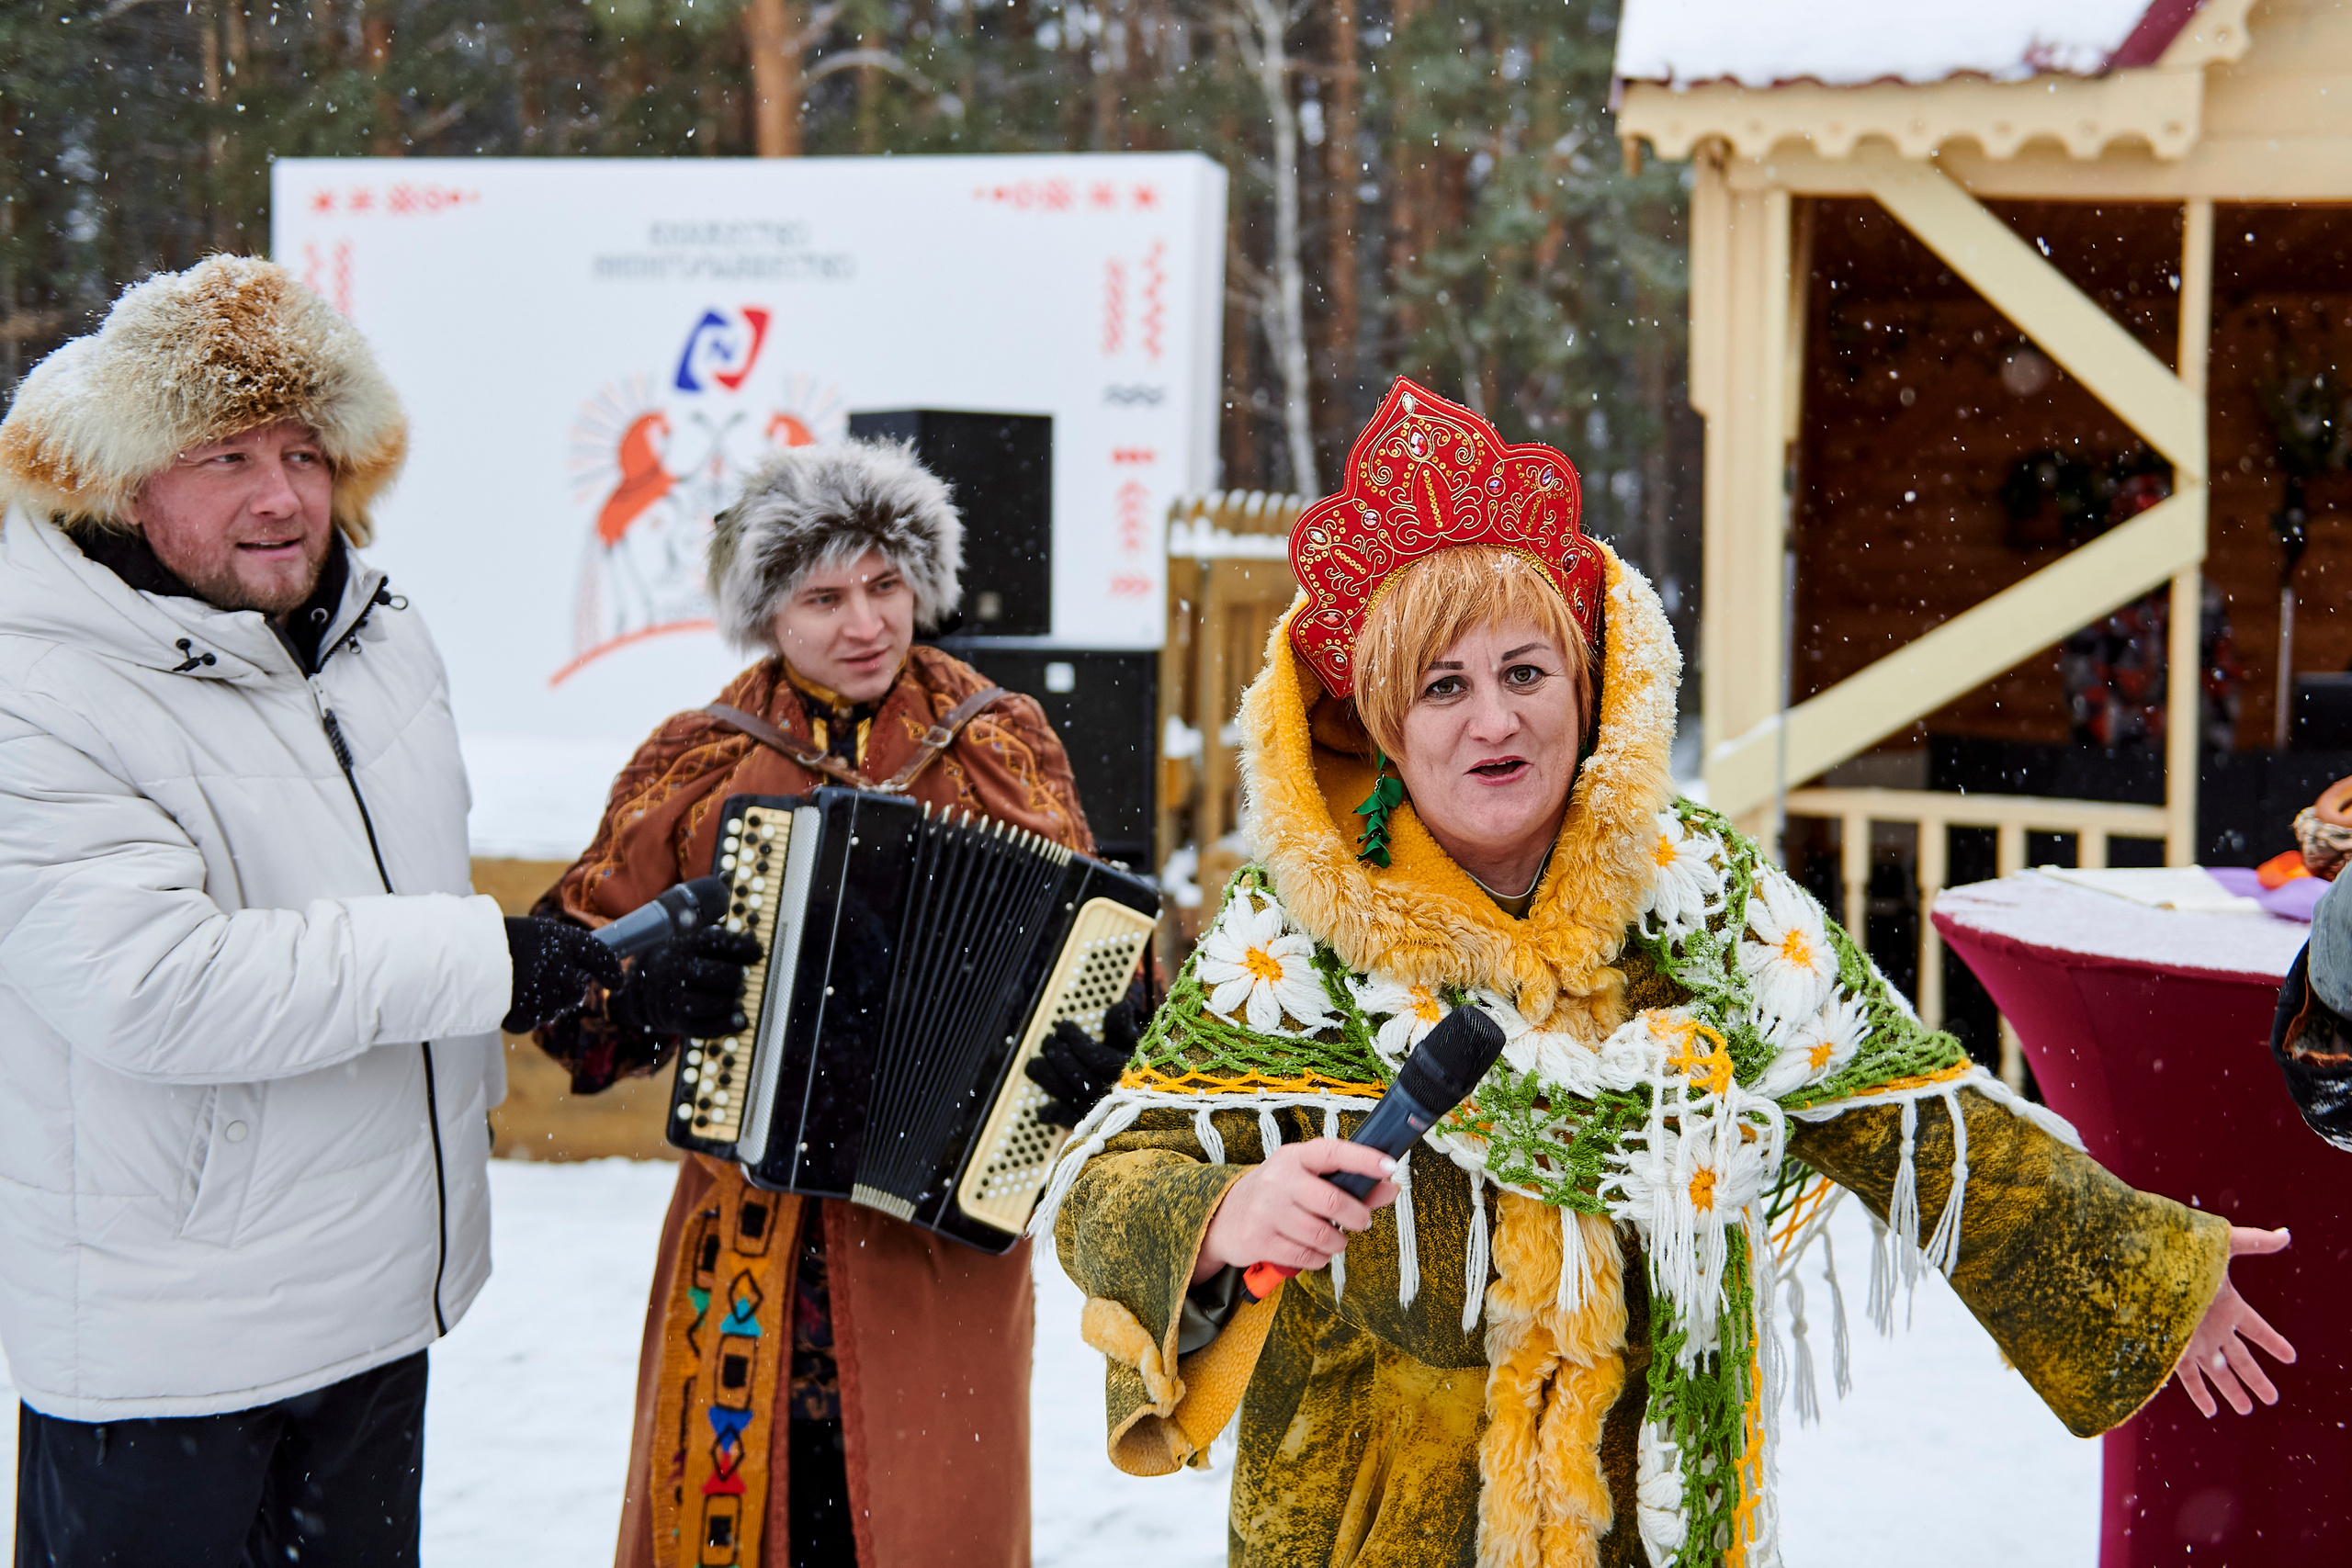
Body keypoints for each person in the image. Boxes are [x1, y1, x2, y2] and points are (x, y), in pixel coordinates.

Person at [1039, 378, 2294, 1568]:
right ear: (1381, 720)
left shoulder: (1700, 898)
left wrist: (2136, 1266)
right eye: (1445, 686)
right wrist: (1220, 1216)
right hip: (1370, 1514)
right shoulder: (1294, 932)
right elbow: (1109, 1188)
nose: (1496, 720)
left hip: (1648, 1508)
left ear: (1587, 692)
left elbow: (1904, 1111)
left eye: (1527, 673)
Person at [0, 256, 628, 1565]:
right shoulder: (36, 686)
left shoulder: (377, 636)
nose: (282, 495)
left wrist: (587, 974)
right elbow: (157, 987)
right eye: (224, 454)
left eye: (302, 448)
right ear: (123, 479)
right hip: (168, 1351)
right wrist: (500, 960)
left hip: (374, 1308)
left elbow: (388, 917)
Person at [533, 437, 1129, 1568]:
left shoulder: (1001, 740)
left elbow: (1097, 958)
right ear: (767, 610)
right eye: (822, 596)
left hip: (941, 1250)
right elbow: (569, 982)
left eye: (886, 586)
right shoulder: (699, 760)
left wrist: (1093, 1043)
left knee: (928, 1525)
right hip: (749, 1248)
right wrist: (643, 989)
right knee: (745, 1525)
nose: (865, 624)